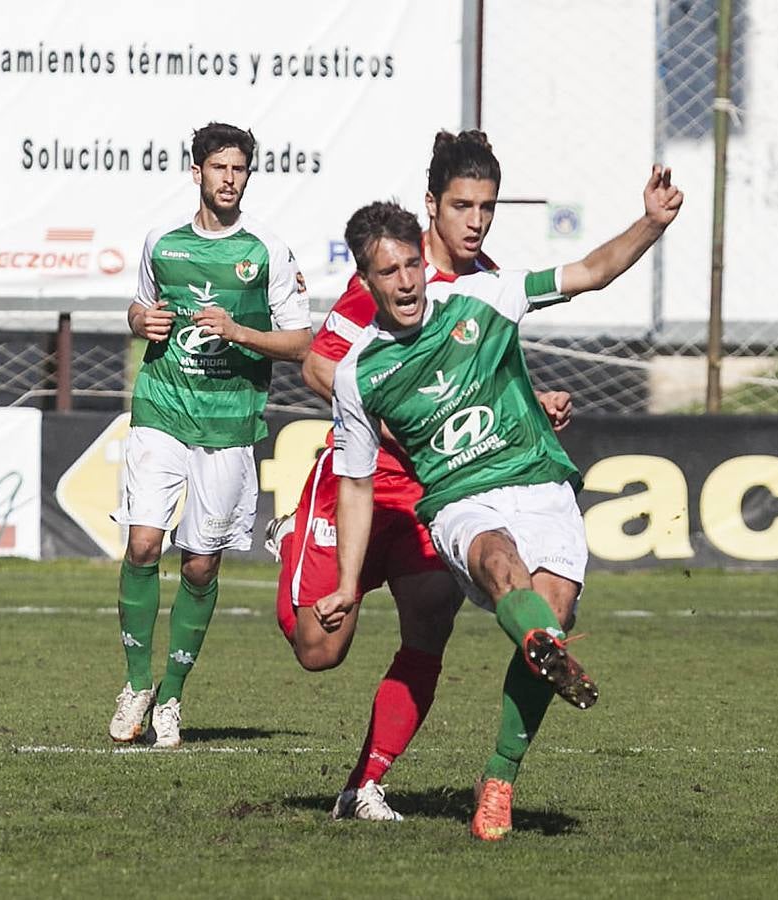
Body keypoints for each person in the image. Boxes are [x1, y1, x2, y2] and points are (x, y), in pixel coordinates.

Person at [322, 164, 682, 840]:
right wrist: (347, 582)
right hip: (461, 498)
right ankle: (541, 643)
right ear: (364, 283)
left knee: (553, 609)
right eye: (386, 272)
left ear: (421, 266)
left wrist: (652, 224)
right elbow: (358, 483)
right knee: (495, 559)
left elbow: (590, 272)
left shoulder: (486, 295)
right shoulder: (358, 374)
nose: (403, 282)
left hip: (539, 481)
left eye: (409, 267)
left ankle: (500, 776)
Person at [268, 131, 572, 822]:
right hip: (360, 477)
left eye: (486, 207)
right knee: (319, 650)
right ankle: (295, 538)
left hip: (434, 492)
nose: (476, 221)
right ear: (432, 206)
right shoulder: (389, 274)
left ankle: (363, 786)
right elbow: (322, 364)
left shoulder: (487, 282)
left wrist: (532, 403)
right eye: (464, 206)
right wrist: (402, 422)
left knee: (429, 625)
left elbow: (480, 380)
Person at [108, 122, 311, 750]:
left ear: (248, 175)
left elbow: (302, 340)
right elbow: (141, 309)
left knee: (200, 564)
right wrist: (142, 319)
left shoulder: (268, 251)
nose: (230, 179)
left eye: (240, 169)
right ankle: (136, 684)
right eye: (219, 167)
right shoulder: (159, 243)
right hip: (162, 411)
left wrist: (239, 332)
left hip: (228, 425)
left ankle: (171, 695)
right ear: (196, 172)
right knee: (143, 544)